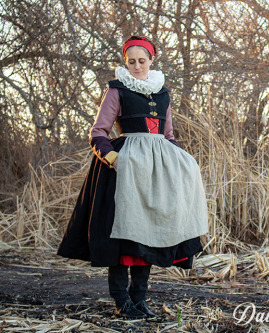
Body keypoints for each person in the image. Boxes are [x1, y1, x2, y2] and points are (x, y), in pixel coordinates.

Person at [57, 36, 209, 319]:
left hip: (156, 171)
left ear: (152, 60)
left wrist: (181, 164)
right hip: (124, 169)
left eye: (142, 61)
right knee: (123, 235)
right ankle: (121, 301)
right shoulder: (117, 90)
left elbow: (168, 136)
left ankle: (140, 299)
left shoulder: (162, 93)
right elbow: (98, 132)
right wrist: (114, 159)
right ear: (125, 61)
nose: (137, 66)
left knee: (148, 235)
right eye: (131, 61)